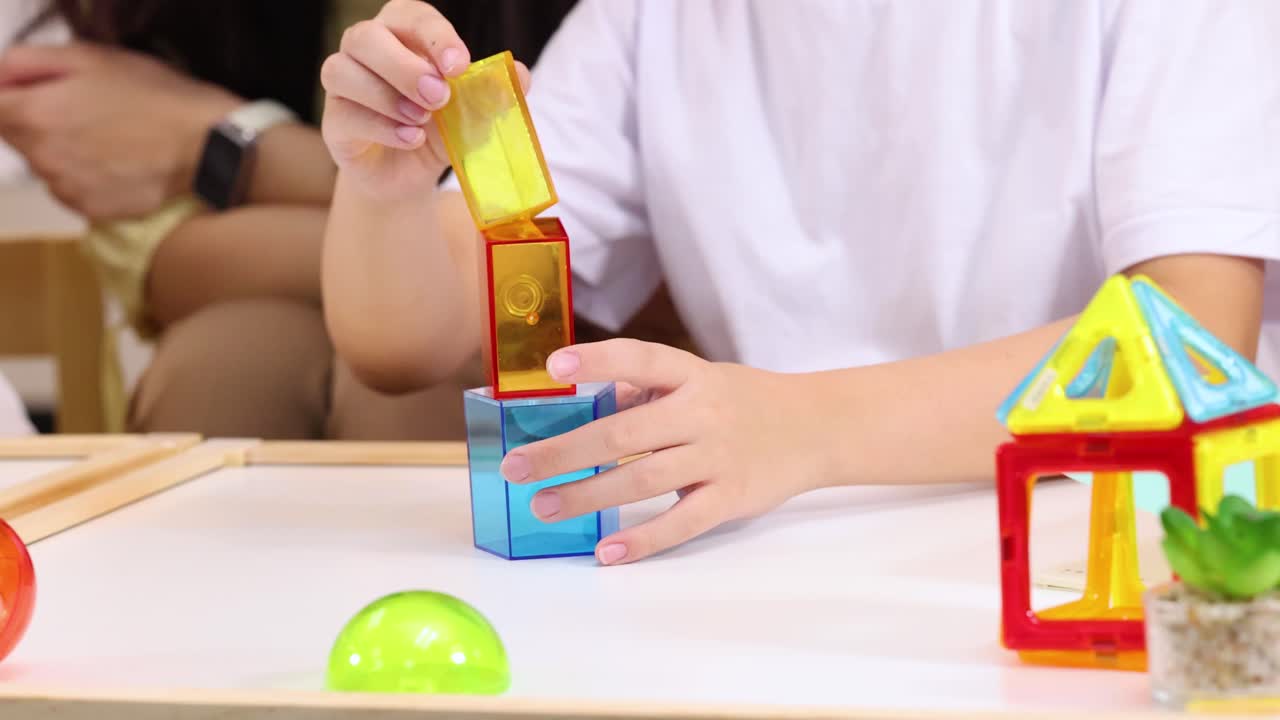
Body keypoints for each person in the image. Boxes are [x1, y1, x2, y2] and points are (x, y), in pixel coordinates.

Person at [319, 0, 1280, 566]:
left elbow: (1190, 342)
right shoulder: (656, 18)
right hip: (776, 552)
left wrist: (802, 426)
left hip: (1111, 555)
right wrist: (383, 192)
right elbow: (403, 345)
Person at [0, 1, 683, 440]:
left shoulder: (616, 33)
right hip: (316, 314)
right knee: (226, 360)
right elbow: (165, 262)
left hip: (549, 335)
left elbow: (598, 262)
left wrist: (231, 145)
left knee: (413, 392)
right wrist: (390, 206)